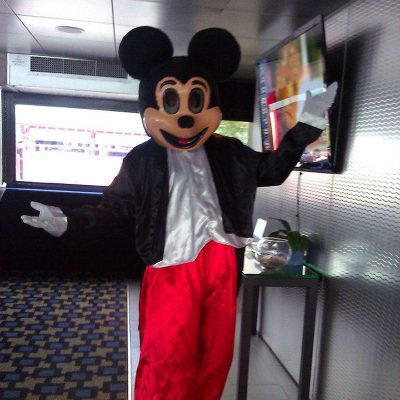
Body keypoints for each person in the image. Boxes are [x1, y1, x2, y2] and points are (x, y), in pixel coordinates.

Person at [21, 26, 337, 400]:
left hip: (223, 262)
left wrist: (305, 126)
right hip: (172, 266)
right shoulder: (143, 160)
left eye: (196, 101)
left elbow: (271, 170)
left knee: (215, 355)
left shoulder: (230, 151)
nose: (185, 117)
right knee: (167, 356)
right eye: (171, 102)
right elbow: (116, 208)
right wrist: (69, 222)